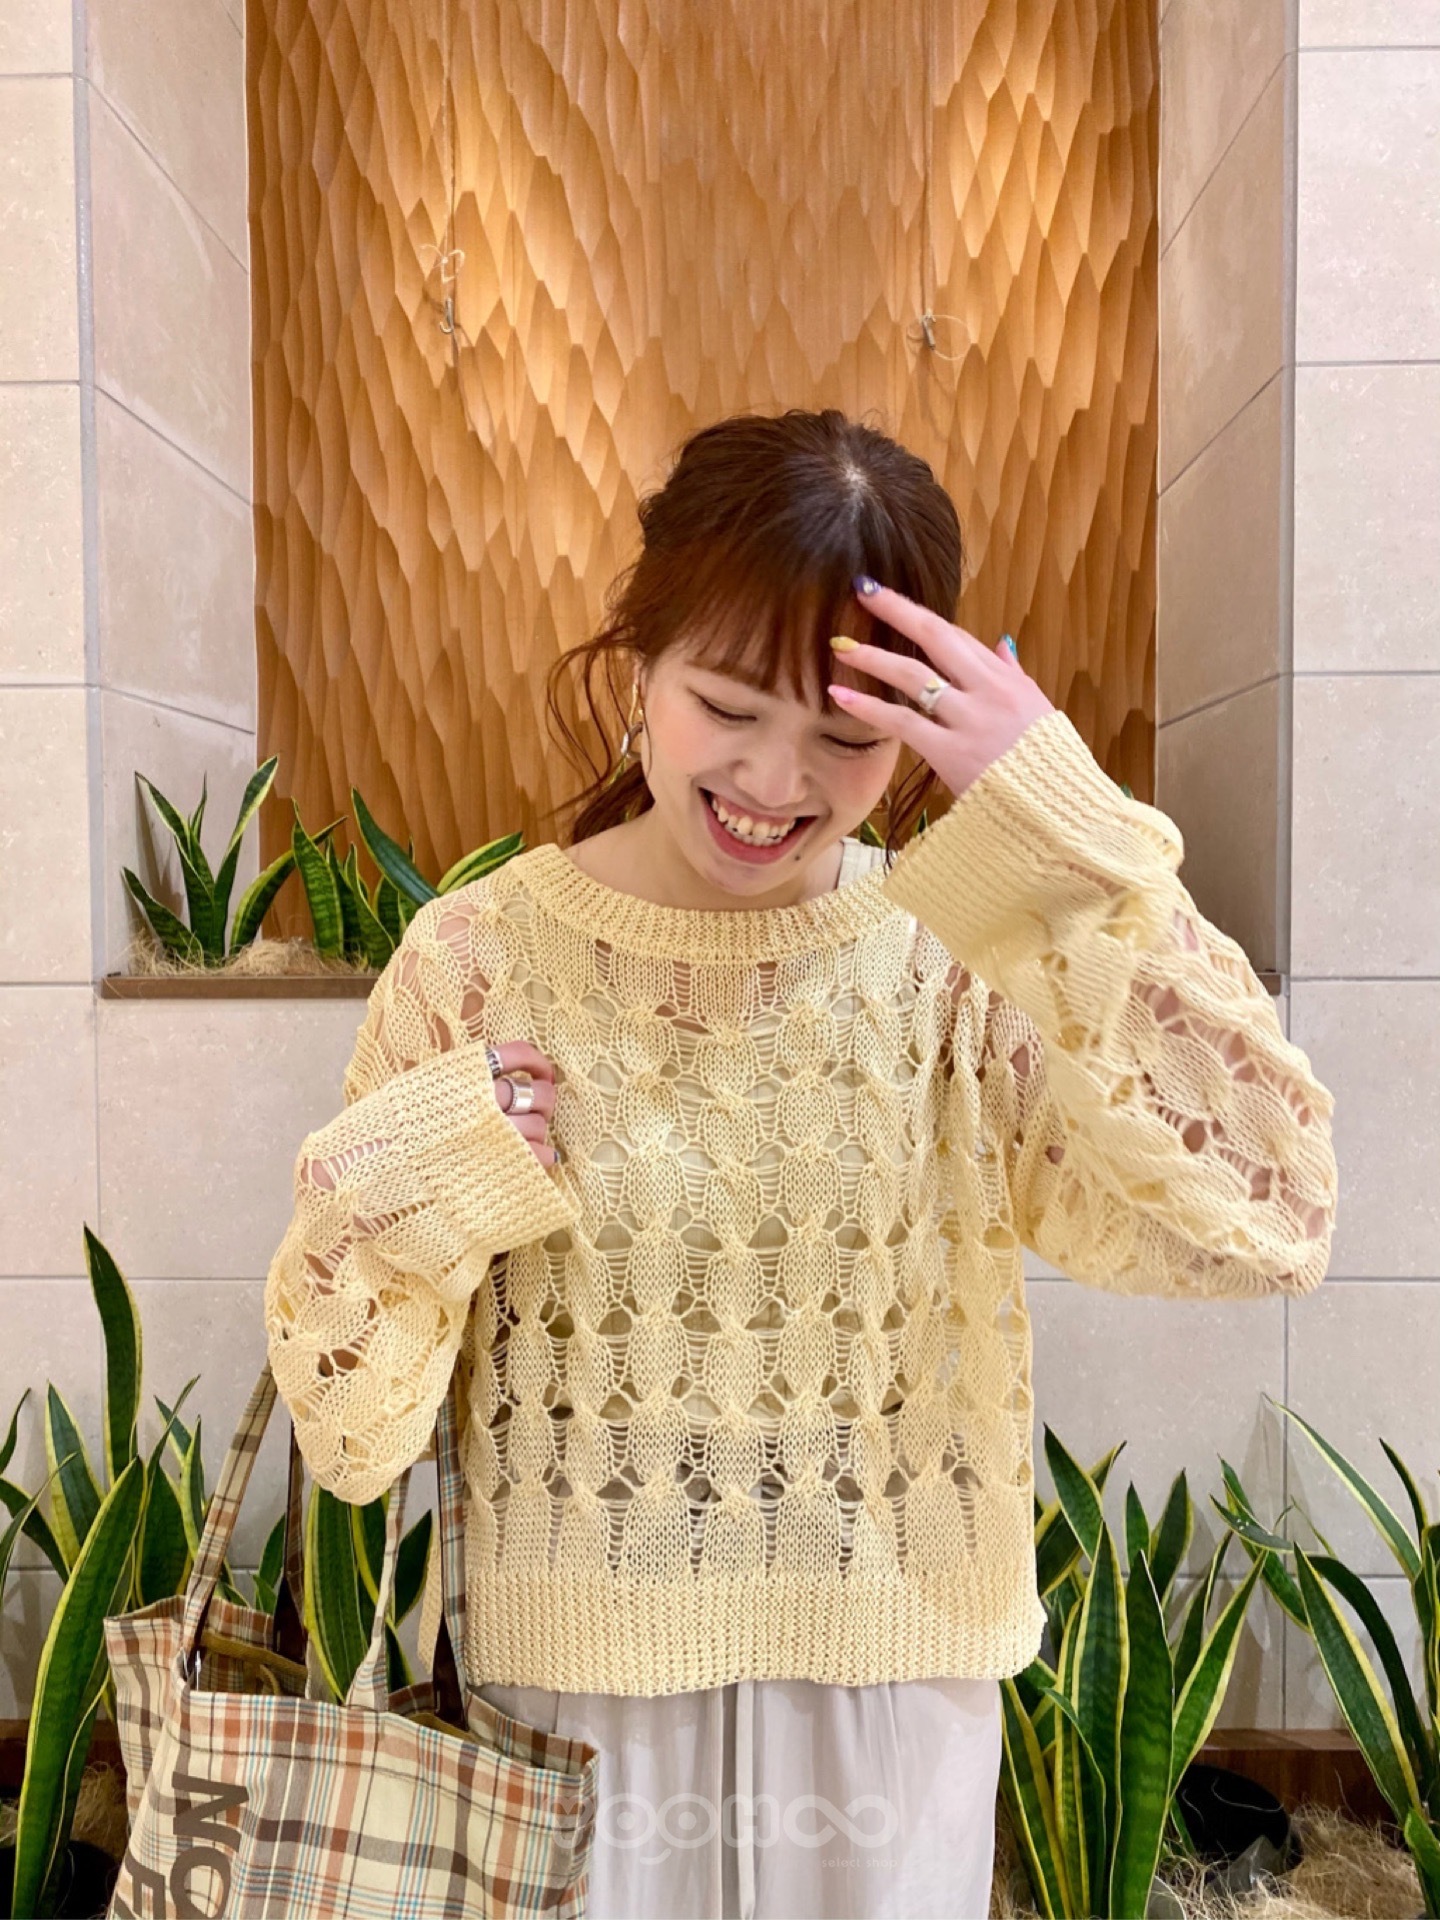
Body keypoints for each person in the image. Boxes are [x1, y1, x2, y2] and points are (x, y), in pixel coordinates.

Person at [263, 408, 1338, 1919]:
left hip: (892, 1692)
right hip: (579, 1700)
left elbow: (1270, 1216)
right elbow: (351, 1427)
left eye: (848, 736)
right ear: (638, 665)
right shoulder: (477, 958)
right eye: (727, 705)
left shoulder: (954, 959)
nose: (777, 781)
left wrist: (1069, 838)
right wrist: (439, 1173)